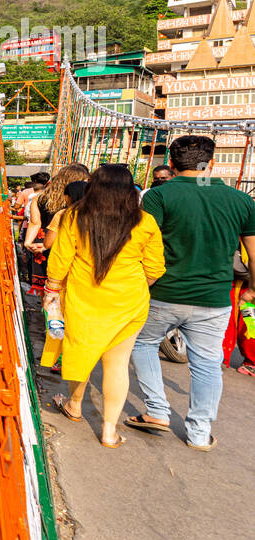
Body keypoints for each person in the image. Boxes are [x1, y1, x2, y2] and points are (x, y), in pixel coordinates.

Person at [130, 135, 255, 451]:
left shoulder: (158, 197)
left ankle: (157, 411)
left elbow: (142, 245)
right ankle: (199, 432)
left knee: (143, 343)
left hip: (162, 293)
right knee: (208, 364)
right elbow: (254, 254)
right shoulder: (242, 201)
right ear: (210, 163)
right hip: (213, 299)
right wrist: (252, 289)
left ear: (171, 165)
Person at [46, 165, 165, 447]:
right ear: (129, 190)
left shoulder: (75, 215)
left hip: (83, 297)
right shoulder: (144, 221)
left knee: (82, 353)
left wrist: (51, 289)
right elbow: (155, 267)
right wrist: (136, 286)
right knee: (117, 364)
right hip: (128, 302)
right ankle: (109, 432)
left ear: (93, 187)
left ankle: (74, 405)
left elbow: (61, 259)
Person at [25, 164, 89, 286]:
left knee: (46, 286)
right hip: (67, 244)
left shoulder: (39, 198)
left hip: (42, 243)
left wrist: (28, 242)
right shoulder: (79, 202)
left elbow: (35, 223)